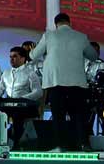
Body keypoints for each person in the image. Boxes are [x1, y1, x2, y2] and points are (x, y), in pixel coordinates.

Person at [30, 13, 97, 148]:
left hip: (56, 82)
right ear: (69, 23)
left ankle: (60, 146)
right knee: (78, 116)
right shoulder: (81, 36)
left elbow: (34, 56)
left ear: (56, 24)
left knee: (58, 117)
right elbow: (93, 56)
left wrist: (32, 50)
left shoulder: (49, 36)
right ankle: (83, 144)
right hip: (77, 83)